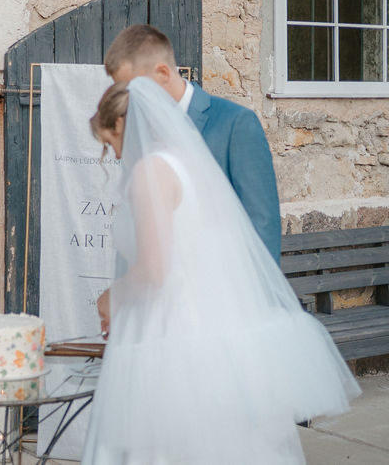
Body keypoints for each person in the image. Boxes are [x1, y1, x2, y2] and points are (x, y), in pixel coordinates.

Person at [83, 78, 359, 464]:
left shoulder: (150, 173)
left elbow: (155, 269)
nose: (113, 155)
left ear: (122, 124)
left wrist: (111, 297)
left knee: (166, 444)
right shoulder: (189, 163)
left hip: (170, 330)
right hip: (212, 325)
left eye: (109, 143)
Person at [104, 24, 282, 264]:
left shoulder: (235, 124)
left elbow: (263, 225)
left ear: (163, 73)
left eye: (133, 89)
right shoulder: (137, 132)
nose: (126, 99)